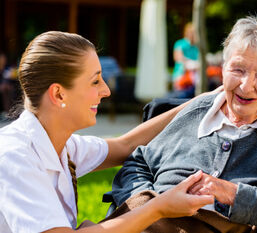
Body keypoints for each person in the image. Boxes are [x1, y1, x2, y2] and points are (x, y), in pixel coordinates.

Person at [112, 16, 257, 232]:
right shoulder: (196, 112)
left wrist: (233, 194)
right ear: (223, 68)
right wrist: (145, 207)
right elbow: (138, 163)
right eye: (238, 70)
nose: (246, 87)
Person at [0, 31, 216, 233]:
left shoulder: (61, 144)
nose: (106, 90)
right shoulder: (15, 156)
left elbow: (126, 146)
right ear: (58, 94)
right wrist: (159, 207)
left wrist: (203, 101)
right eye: (95, 81)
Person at [170, 22, 199, 98]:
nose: (193, 35)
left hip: (194, 79)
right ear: (187, 33)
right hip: (181, 76)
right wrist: (193, 63)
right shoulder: (180, 44)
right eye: (191, 32)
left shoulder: (197, 46)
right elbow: (178, 58)